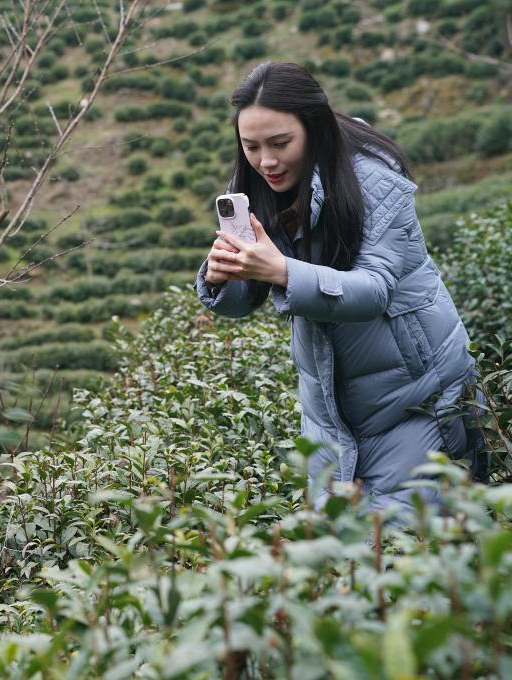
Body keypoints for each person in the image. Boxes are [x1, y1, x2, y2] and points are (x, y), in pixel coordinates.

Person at [198, 61, 482, 513]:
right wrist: (222, 277)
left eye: (280, 143)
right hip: (330, 415)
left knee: (413, 550)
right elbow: (241, 302)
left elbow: (374, 290)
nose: (266, 160)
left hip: (416, 398)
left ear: (315, 128)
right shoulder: (258, 184)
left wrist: (282, 271)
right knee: (344, 557)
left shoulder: (374, 178)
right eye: (250, 146)